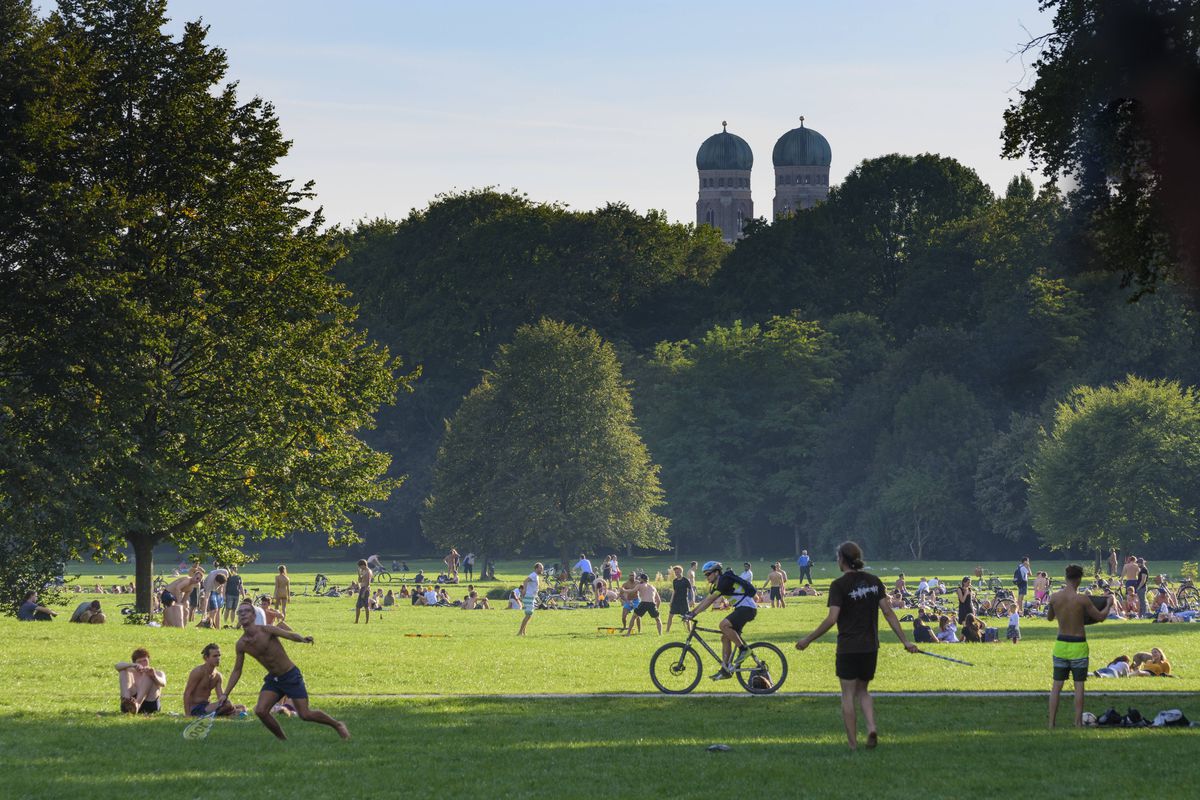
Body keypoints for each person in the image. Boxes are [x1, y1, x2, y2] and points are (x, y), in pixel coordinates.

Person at [795, 541, 918, 751]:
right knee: (863, 691)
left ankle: (852, 744)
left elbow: (832, 618)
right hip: (870, 647)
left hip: (848, 647)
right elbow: (888, 613)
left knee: (847, 695)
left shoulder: (839, 585)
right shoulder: (874, 581)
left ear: (842, 560)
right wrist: (905, 641)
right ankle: (871, 727)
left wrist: (808, 639)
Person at [221, 603, 349, 740]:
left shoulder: (267, 630)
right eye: (240, 612)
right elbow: (237, 670)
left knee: (305, 714)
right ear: (238, 618)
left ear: (253, 616)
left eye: (247, 611)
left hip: (290, 675)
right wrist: (225, 694)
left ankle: (337, 725)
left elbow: (288, 635)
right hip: (274, 680)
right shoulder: (241, 644)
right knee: (260, 711)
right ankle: (283, 740)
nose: (243, 614)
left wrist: (303, 639)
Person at [1046, 564, 1113, 728]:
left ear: (1066, 577)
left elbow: (1049, 617)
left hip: (1061, 644)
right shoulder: (1082, 599)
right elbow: (1100, 617)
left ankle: (1051, 723)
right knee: (1079, 686)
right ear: (1079, 579)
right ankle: (1077, 723)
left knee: (1056, 686)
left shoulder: (1054, 597)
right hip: (1078, 645)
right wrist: (1109, 604)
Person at [684, 561, 758, 679]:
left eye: (708, 574)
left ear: (717, 572)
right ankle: (725, 669)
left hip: (747, 608)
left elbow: (710, 601)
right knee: (725, 638)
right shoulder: (716, 585)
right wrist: (692, 612)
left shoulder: (724, 581)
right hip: (741, 608)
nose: (706, 577)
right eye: (705, 575)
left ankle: (744, 650)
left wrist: (693, 614)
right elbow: (706, 600)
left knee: (723, 625)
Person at [183, 643, 240, 717]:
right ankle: (230, 713)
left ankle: (227, 713)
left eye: (219, 655)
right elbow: (187, 693)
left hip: (207, 705)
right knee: (229, 705)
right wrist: (187, 714)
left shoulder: (218, 676)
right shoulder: (198, 672)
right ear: (206, 658)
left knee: (241, 707)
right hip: (195, 707)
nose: (218, 658)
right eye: (215, 656)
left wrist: (225, 701)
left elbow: (221, 698)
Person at [117, 647, 166, 714]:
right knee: (123, 671)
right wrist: (132, 665)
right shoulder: (132, 671)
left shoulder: (157, 672)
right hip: (131, 704)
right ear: (135, 663)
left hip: (149, 704)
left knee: (148, 675)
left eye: (145, 660)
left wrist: (154, 676)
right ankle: (126, 701)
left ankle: (137, 704)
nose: (143, 664)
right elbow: (117, 666)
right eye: (139, 662)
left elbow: (163, 683)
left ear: (149, 660)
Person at [517, 563, 544, 636]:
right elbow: (525, 581)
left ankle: (523, 632)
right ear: (536, 568)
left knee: (529, 614)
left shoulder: (536, 576)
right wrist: (525, 590)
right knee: (528, 614)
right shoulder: (533, 575)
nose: (542, 569)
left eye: (542, 568)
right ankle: (520, 632)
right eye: (540, 568)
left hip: (531, 597)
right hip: (528, 596)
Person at [666, 565, 691, 632]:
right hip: (675, 601)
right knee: (670, 616)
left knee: (686, 617)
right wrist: (671, 601)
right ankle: (667, 631)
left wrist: (692, 600)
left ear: (681, 571)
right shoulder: (675, 581)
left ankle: (689, 631)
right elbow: (674, 591)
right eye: (675, 572)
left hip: (684, 601)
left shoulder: (685, 580)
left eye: (677, 572)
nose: (676, 573)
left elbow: (691, 590)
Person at [354, 559, 373, 624]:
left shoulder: (368, 571)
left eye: (360, 566)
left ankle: (366, 621)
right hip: (362, 588)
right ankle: (356, 621)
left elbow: (368, 583)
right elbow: (360, 581)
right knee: (358, 606)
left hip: (366, 589)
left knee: (365, 606)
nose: (360, 568)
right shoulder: (363, 570)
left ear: (363, 565)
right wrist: (359, 574)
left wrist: (364, 592)